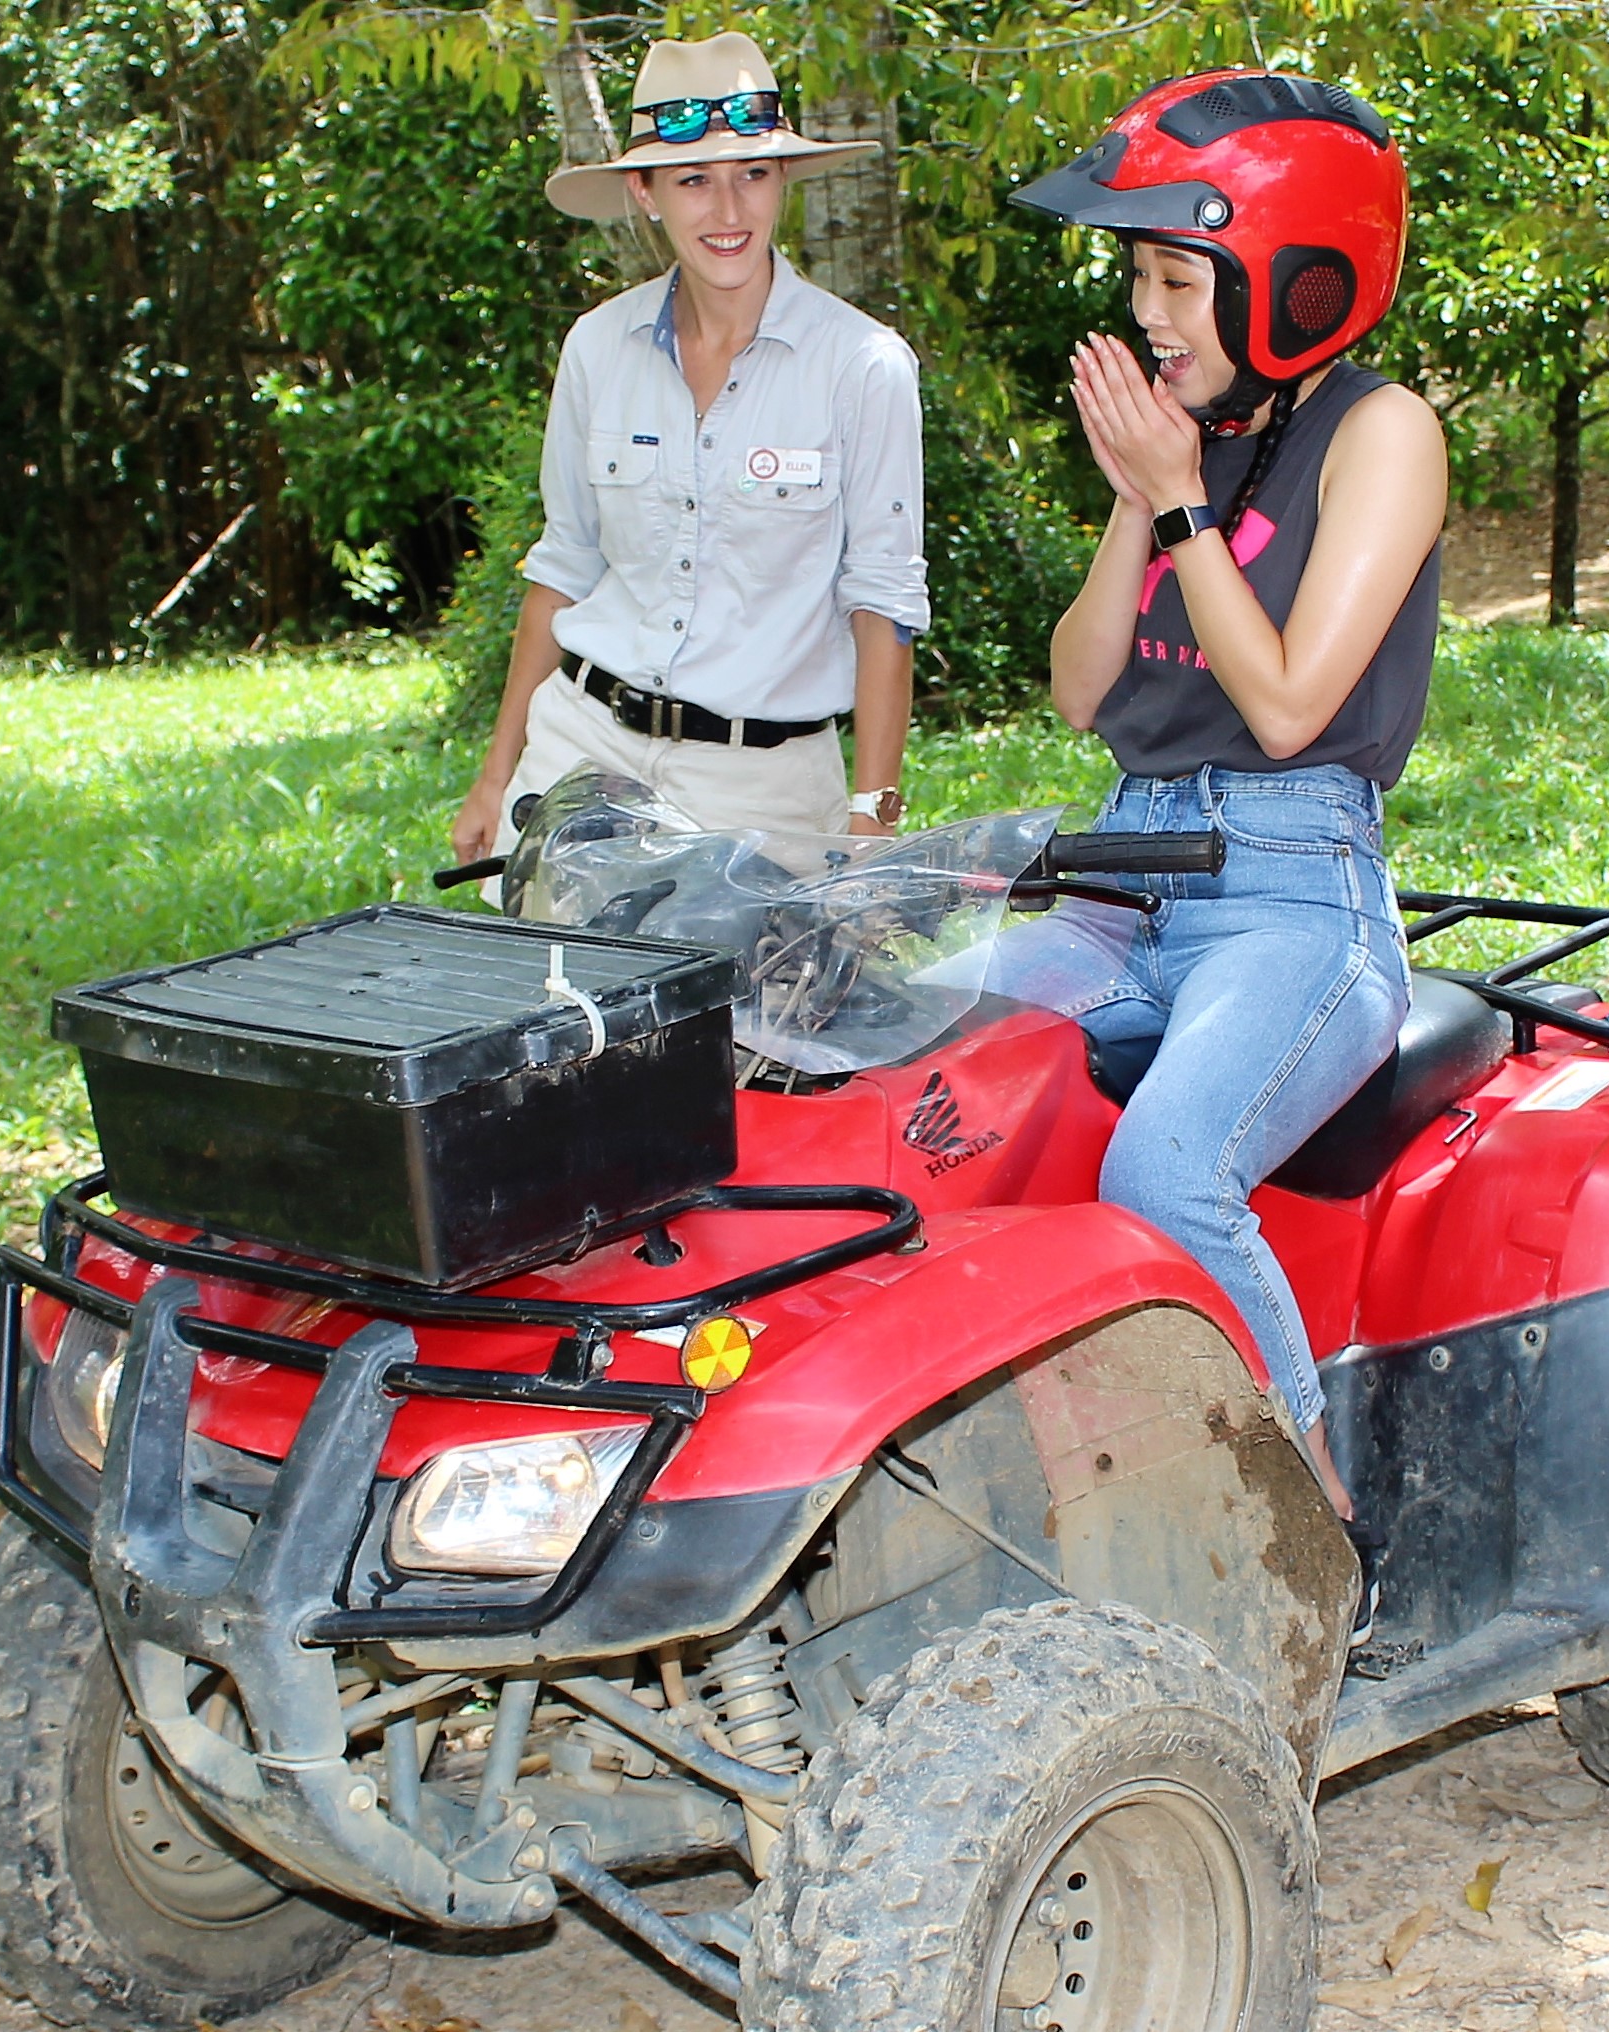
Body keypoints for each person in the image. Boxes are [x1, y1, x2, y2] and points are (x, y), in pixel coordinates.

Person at [1005, 71, 1446, 1634]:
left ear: (1296, 279)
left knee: (1168, 1170)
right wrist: (1140, 497)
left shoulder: (1377, 434)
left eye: (1174, 278)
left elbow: (1285, 706)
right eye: (1136, 280)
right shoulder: (1195, 443)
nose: (1148, 314)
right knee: (917, 1090)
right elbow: (1078, 692)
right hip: (1127, 869)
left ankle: (1317, 1539)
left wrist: (1184, 502)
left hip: (1288, 886)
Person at [450, 30, 929, 871]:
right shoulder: (597, 347)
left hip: (763, 783)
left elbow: (884, 603)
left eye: (751, 175)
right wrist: (495, 778)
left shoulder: (862, 365)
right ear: (644, 192)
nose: (728, 211)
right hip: (582, 750)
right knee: (554, 998)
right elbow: (562, 566)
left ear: (783, 181)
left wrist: (871, 821)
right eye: (693, 181)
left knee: (755, 1006)